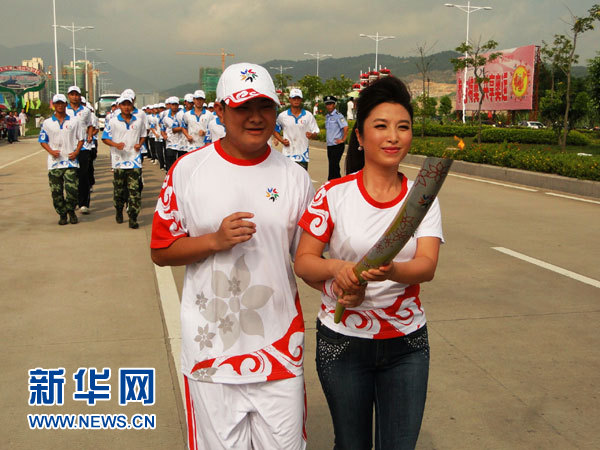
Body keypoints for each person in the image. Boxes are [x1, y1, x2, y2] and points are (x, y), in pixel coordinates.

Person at [150, 62, 314, 450]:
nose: (256, 117)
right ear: (220, 111)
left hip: (279, 348)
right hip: (211, 353)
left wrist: (344, 276)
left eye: (265, 106)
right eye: (243, 108)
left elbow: (307, 259)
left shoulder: (295, 177)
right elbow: (161, 249)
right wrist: (214, 240)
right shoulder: (188, 171)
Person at [294, 76, 444, 450]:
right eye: (381, 126)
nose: (393, 137)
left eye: (403, 127)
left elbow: (426, 265)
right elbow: (304, 261)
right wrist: (337, 270)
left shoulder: (422, 198)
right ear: (360, 136)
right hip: (343, 341)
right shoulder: (333, 194)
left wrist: (393, 271)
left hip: (406, 342)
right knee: (351, 444)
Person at [38, 94, 85, 225]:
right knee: (56, 192)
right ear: (54, 105)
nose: (59, 105)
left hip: (70, 162)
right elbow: (42, 140)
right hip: (54, 163)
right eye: (57, 103)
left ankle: (71, 211)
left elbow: (81, 139)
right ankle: (62, 214)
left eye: (61, 103)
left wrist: (76, 152)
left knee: (72, 190)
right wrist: (51, 151)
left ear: (65, 104)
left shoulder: (74, 121)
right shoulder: (47, 123)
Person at [102, 95, 147, 229]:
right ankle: (119, 210)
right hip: (119, 160)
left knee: (135, 190)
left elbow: (144, 135)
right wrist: (115, 145)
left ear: (132, 105)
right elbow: (105, 138)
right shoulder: (113, 121)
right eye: (124, 104)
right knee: (119, 190)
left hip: (134, 160)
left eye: (129, 104)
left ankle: (133, 217)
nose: (126, 107)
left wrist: (140, 144)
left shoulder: (138, 121)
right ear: (119, 106)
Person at [273, 88, 319, 170]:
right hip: (288, 155)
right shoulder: (283, 116)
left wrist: (312, 135)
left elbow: (316, 131)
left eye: (298, 98)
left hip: (303, 156)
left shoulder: (308, 115)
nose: (296, 100)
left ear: (301, 100)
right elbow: (275, 130)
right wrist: (281, 140)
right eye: (294, 98)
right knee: (288, 177)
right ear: (290, 99)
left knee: (301, 177)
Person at [65, 86, 94, 214]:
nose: (74, 97)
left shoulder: (86, 111)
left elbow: (90, 125)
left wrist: (89, 135)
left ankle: (84, 203)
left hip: (83, 147)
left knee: (83, 175)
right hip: (69, 147)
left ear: (80, 96)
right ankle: (73, 200)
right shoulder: (65, 110)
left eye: (77, 94)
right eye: (72, 94)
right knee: (71, 176)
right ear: (68, 96)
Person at [324, 95, 348, 180]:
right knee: (332, 166)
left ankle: (334, 181)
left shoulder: (338, 116)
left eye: (331, 104)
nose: (329, 106)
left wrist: (343, 139)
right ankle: (334, 182)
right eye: (327, 104)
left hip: (337, 145)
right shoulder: (327, 117)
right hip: (330, 145)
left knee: (334, 165)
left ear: (334, 105)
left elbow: (345, 127)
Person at [161, 97, 185, 171]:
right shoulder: (165, 118)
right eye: (172, 105)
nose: (174, 106)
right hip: (170, 142)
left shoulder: (182, 115)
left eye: (176, 105)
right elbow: (162, 129)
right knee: (170, 158)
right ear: (170, 105)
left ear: (178, 105)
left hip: (181, 141)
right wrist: (164, 135)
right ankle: (170, 174)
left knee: (181, 161)